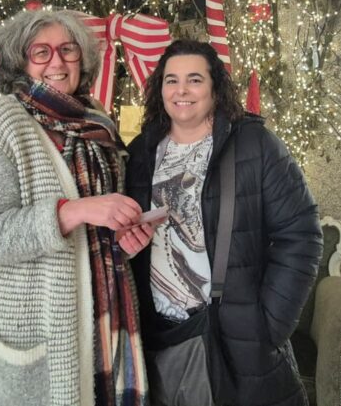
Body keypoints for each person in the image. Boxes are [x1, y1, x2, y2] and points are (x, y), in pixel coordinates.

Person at [0, 9, 149, 406]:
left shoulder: (97, 121)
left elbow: (98, 230)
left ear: (83, 57)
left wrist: (124, 241)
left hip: (105, 314)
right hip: (35, 326)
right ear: (20, 62)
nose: (57, 62)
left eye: (68, 50)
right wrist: (73, 211)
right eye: (41, 52)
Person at [123, 39, 322, 406]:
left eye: (195, 79)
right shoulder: (140, 152)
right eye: (171, 80)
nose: (182, 90)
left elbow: (302, 235)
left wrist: (270, 325)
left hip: (234, 339)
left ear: (215, 87)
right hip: (155, 338)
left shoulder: (255, 145)